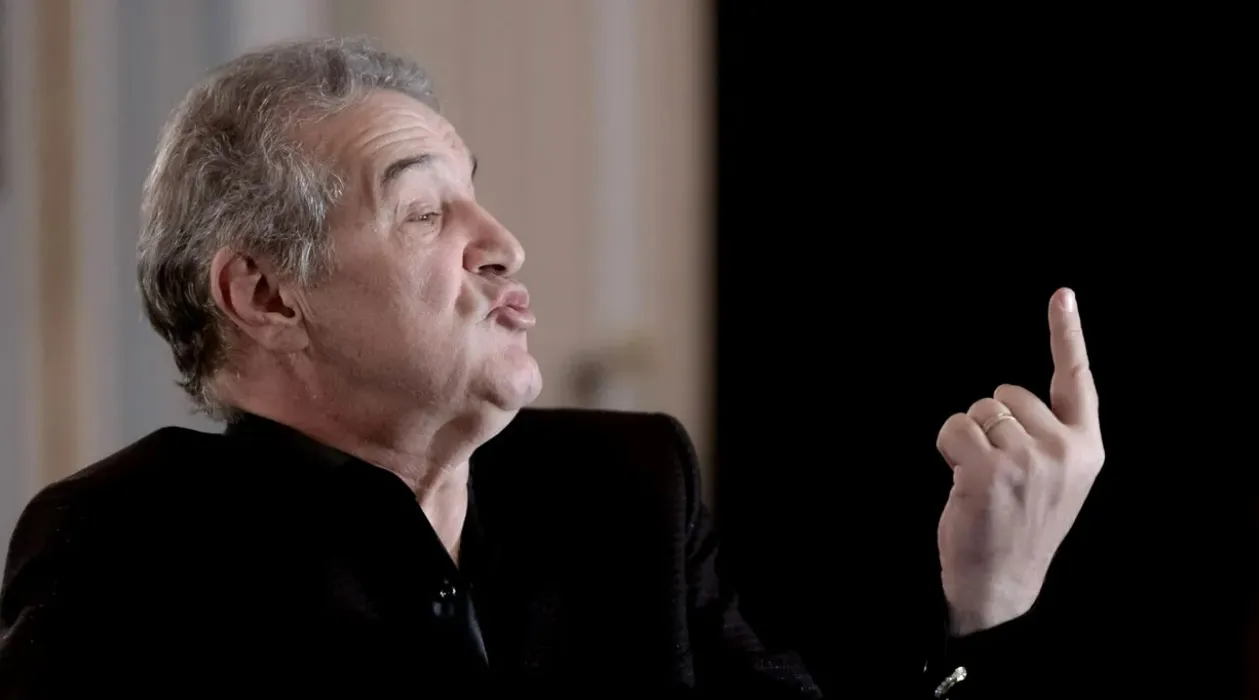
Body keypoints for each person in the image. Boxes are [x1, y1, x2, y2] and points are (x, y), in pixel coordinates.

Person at [0, 37, 1104, 698]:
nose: (503, 244)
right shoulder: (124, 550)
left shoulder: (624, 487)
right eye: (423, 211)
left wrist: (982, 605)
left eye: (475, 194)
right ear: (266, 296)